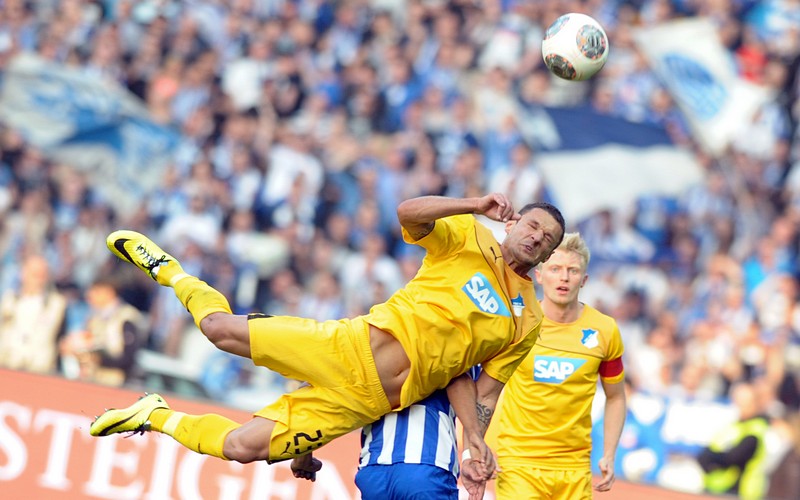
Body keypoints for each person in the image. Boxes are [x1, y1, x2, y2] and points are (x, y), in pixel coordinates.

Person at [88, 193, 565, 474]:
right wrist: (473, 202)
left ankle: (155, 415)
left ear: (546, 258)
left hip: (365, 403)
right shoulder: (468, 235)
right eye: (533, 225)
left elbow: (477, 384)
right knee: (218, 330)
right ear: (513, 220)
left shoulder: (528, 319)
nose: (536, 237)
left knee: (242, 448)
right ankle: (169, 271)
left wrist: (475, 438)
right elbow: (407, 213)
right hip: (348, 347)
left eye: (547, 240)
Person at [493, 232, 627, 499]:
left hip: (574, 468)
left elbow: (616, 397)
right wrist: (476, 446)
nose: (564, 277)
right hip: (519, 463)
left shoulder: (605, 330)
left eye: (572, 270)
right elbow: (486, 388)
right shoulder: (518, 323)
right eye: (555, 269)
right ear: (540, 276)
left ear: (584, 280)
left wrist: (609, 454)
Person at [59, 276, 146, 386]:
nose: (89, 295)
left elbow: (128, 357)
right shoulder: (94, 318)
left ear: (109, 292)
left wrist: (97, 358)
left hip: (117, 383)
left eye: (95, 291)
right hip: (94, 380)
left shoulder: (126, 317)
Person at [697, 382, 770, 499]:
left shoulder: (755, 430)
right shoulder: (732, 425)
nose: (740, 405)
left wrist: (714, 458)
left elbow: (733, 457)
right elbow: (706, 453)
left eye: (744, 402)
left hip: (739, 492)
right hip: (714, 488)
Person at [0, 254, 67, 374]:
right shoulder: (9, 300)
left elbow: (62, 338)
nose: (38, 279)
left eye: (42, 275)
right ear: (23, 273)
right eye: (34, 274)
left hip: (40, 368)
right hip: (8, 364)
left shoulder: (57, 304)